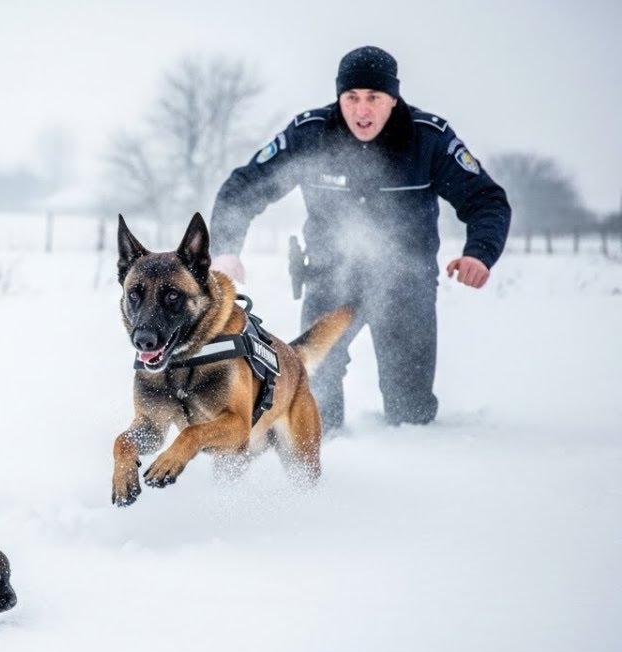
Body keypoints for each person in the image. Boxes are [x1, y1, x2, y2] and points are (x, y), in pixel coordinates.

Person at [208, 46, 510, 432]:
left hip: (406, 288)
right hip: (330, 284)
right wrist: (226, 249)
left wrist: (480, 254)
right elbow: (243, 187)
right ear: (339, 98)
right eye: (351, 98)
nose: (362, 110)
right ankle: (325, 477)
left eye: (374, 98)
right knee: (313, 408)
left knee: (411, 414)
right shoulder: (310, 133)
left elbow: (486, 199)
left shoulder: (428, 138)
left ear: (393, 98)